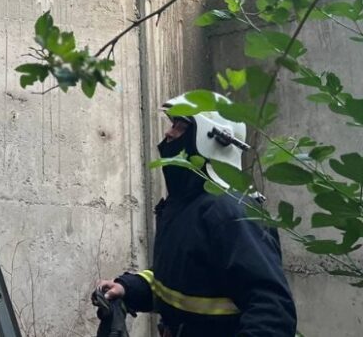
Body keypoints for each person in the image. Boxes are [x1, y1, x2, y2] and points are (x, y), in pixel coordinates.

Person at [94, 92, 297, 337]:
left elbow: (273, 314)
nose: (169, 134)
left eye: (181, 127)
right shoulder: (184, 206)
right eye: (172, 124)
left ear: (211, 138)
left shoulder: (233, 213)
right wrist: (130, 288)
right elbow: (185, 279)